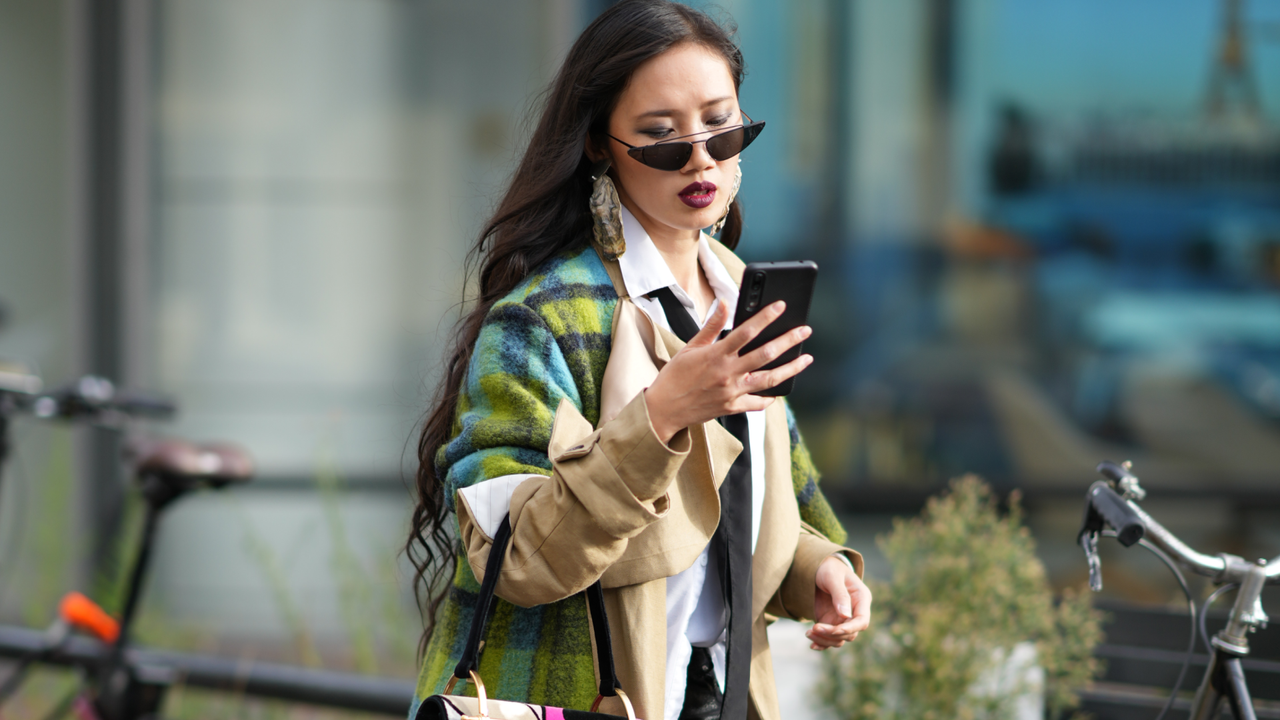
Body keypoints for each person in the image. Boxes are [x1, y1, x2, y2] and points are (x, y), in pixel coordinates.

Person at [406, 2, 871, 719]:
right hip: (586, 696)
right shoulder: (543, 319)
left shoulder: (734, 296)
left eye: (722, 126)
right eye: (661, 137)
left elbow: (772, 503)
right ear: (599, 143)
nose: (700, 159)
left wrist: (822, 569)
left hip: (719, 691)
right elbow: (519, 553)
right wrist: (660, 417)